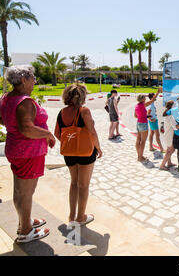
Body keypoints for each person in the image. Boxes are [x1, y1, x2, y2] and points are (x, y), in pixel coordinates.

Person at [0, 66, 55, 243]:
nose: (35, 81)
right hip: (28, 153)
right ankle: (25, 231)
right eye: (33, 78)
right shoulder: (24, 101)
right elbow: (27, 129)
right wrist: (47, 134)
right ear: (23, 80)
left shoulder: (6, 98)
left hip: (15, 149)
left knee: (20, 189)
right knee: (26, 193)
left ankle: (26, 220)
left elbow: (4, 119)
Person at [54, 84, 103, 226]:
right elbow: (92, 132)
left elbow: (57, 133)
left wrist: (70, 142)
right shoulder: (84, 111)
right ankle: (81, 217)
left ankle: (71, 215)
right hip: (86, 152)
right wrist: (98, 148)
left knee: (74, 183)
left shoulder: (62, 112)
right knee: (84, 185)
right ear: (81, 96)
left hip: (69, 153)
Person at [134, 88, 162, 162]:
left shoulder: (137, 106)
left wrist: (144, 116)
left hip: (138, 123)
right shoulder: (143, 105)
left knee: (138, 140)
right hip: (143, 124)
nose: (145, 99)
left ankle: (139, 156)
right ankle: (140, 158)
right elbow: (152, 100)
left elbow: (135, 116)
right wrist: (158, 92)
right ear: (142, 99)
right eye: (144, 98)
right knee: (143, 141)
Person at [159, 100, 179, 170]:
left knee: (169, 149)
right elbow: (175, 126)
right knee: (170, 150)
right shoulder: (171, 116)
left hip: (168, 134)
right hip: (169, 135)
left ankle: (169, 163)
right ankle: (162, 165)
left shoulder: (167, 113)